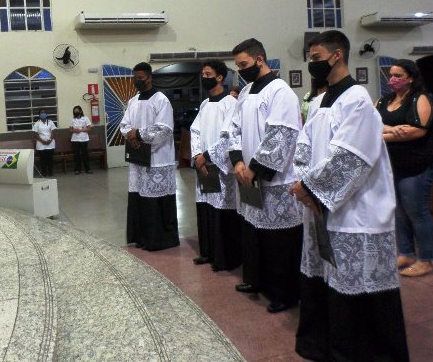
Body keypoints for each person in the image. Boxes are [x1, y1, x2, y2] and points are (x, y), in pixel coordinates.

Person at [290, 30, 409, 362]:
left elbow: (352, 157)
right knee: (325, 276)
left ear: (337, 55)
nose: (312, 64)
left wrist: (311, 189)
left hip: (357, 208)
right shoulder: (319, 102)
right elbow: (303, 147)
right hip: (323, 204)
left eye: (316, 58)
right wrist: (304, 184)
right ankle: (325, 345)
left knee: (355, 281)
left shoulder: (358, 100)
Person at [226, 38, 303, 314]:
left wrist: (255, 169)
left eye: (244, 64)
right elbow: (233, 129)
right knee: (253, 233)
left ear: (260, 59)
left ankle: (285, 293)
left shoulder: (281, 92)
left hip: (274, 179)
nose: (241, 70)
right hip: (247, 175)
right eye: (237, 66)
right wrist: (237, 161)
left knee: (279, 241)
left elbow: (281, 135)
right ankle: (256, 280)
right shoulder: (246, 92)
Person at [377, 59, 433, 277]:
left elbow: (418, 130)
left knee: (417, 212)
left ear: (410, 78)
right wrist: (392, 130)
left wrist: (383, 135)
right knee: (399, 212)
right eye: (391, 75)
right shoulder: (384, 100)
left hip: (416, 165)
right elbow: (372, 124)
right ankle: (406, 253)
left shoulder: (420, 98)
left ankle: (426, 259)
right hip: (391, 165)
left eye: (398, 76)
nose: (393, 79)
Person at [120, 62, 179, 251]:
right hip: (138, 156)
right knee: (139, 197)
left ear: (149, 77)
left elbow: (165, 129)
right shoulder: (133, 101)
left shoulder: (161, 100)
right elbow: (124, 125)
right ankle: (142, 238)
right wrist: (132, 136)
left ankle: (159, 240)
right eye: (135, 78)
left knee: (155, 200)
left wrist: (138, 135)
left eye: (140, 77)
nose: (137, 81)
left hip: (157, 157)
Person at [190, 59, 241, 271]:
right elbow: (195, 131)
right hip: (204, 166)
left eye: (208, 74)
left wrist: (208, 156)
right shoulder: (204, 104)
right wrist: (197, 155)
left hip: (220, 167)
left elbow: (230, 137)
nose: (204, 78)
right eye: (203, 74)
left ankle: (225, 258)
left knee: (222, 210)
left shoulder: (231, 104)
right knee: (206, 208)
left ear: (220, 77)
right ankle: (209, 253)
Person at [69, 105, 93, 174]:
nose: (76, 112)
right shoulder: (72, 119)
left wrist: (81, 130)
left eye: (77, 111)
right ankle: (77, 169)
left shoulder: (85, 118)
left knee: (85, 154)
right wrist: (74, 130)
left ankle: (87, 169)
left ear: (80, 111)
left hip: (84, 139)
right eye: (75, 111)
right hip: (75, 140)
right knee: (76, 155)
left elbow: (90, 128)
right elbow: (70, 129)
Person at [33, 109, 56, 177]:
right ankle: (44, 173)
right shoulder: (37, 123)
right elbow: (36, 134)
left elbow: (53, 132)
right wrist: (42, 141)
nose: (43, 114)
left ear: (46, 114)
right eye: (41, 113)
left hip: (50, 143)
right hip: (41, 144)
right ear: (39, 115)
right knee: (43, 159)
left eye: (44, 113)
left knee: (50, 159)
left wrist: (50, 139)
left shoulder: (51, 122)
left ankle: (50, 172)